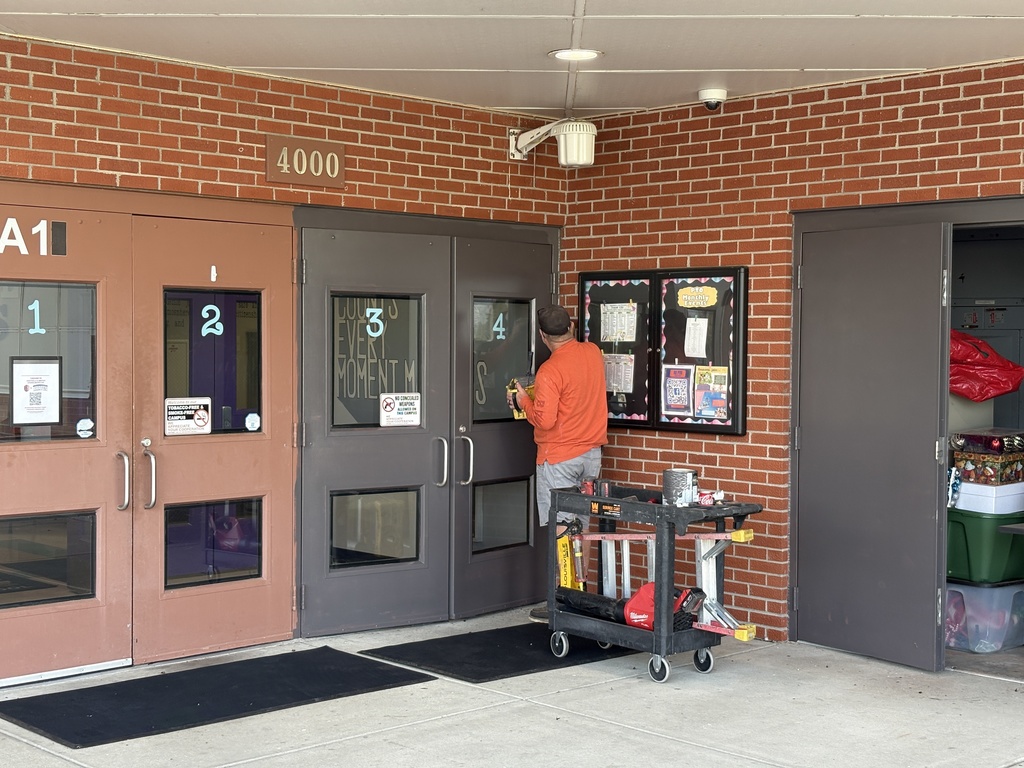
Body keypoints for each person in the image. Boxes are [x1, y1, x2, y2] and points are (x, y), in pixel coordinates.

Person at [507, 305, 607, 623]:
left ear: (542, 335)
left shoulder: (550, 370)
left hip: (560, 458)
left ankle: (563, 603)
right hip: (591, 455)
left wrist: (524, 400)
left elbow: (545, 420)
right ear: (571, 327)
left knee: (563, 530)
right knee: (583, 529)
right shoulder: (593, 353)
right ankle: (582, 594)